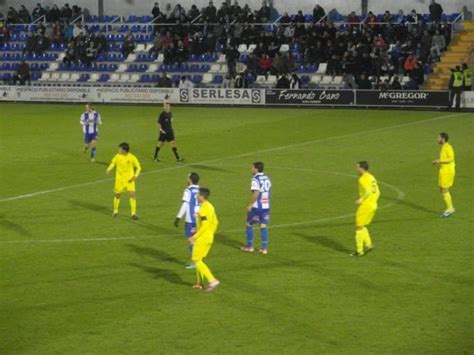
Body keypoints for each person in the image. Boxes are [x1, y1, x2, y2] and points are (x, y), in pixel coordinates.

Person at [187, 188, 220, 292]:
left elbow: (205, 226)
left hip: (203, 238)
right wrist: (210, 233)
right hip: (208, 237)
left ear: (202, 196)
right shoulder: (210, 206)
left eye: (198, 195)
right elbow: (216, 222)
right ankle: (199, 283)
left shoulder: (205, 208)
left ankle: (212, 280)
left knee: (196, 260)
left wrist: (194, 237)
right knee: (199, 260)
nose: (197, 196)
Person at [241, 162, 272, 254]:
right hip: (266, 205)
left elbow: (256, 193)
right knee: (263, 225)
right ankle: (264, 249)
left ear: (256, 169)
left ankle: (250, 247)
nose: (251, 169)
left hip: (257, 206)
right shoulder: (267, 178)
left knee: (249, 224)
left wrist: (250, 204)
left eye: (252, 168)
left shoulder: (255, 179)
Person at [351, 161, 380, 257]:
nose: (357, 169)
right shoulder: (371, 177)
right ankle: (369, 244)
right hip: (373, 205)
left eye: (357, 167)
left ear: (362, 168)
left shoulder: (362, 179)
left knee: (358, 227)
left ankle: (359, 251)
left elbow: (367, 191)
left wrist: (361, 199)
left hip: (366, 206)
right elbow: (378, 192)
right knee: (362, 226)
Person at [106, 142, 141, 220]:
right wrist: (109, 169)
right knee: (117, 195)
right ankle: (115, 211)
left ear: (124, 150)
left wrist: (135, 176)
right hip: (119, 180)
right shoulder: (117, 156)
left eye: (120, 149)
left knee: (132, 195)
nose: (118, 150)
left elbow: (139, 167)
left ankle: (133, 214)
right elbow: (113, 163)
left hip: (129, 180)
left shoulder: (132, 157)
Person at [175, 172, 201, 269]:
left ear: (190, 179)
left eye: (187, 178)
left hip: (190, 219)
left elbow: (185, 205)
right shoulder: (200, 190)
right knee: (196, 240)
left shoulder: (188, 191)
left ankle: (195, 262)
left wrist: (178, 217)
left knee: (191, 240)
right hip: (199, 218)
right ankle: (198, 259)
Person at [432, 133, 456, 217]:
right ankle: (450, 208)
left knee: (444, 190)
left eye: (438, 137)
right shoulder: (444, 147)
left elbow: (451, 158)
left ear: (443, 139)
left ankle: (450, 209)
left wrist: (439, 161)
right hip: (444, 170)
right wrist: (439, 161)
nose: (437, 139)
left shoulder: (448, 147)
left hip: (447, 171)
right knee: (442, 189)